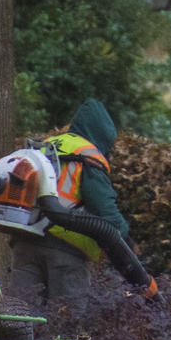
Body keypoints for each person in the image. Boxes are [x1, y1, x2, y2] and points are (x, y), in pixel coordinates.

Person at [9, 99, 132, 303]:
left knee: (21, 318)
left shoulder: (47, 144)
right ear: (102, 134)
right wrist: (127, 245)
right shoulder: (89, 154)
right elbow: (105, 212)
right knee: (66, 324)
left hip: (25, 243)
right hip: (65, 252)